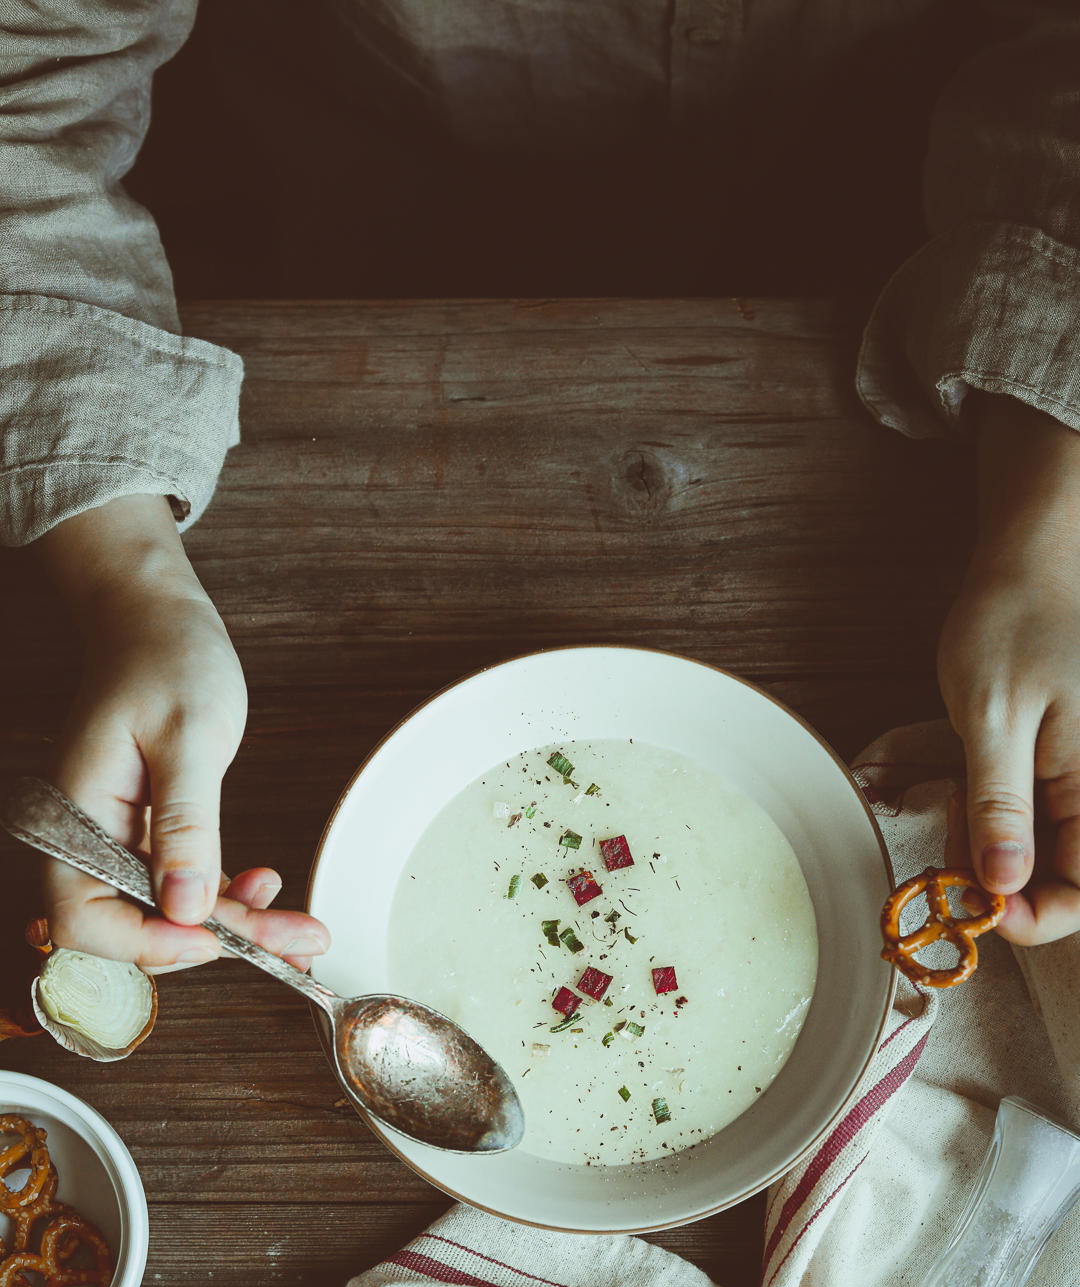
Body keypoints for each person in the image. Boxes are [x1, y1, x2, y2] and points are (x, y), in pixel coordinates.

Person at [3, 1, 1079, 969]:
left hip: (911, 291)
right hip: (358, 258)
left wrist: (1050, 538)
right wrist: (129, 575)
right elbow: (27, 88)